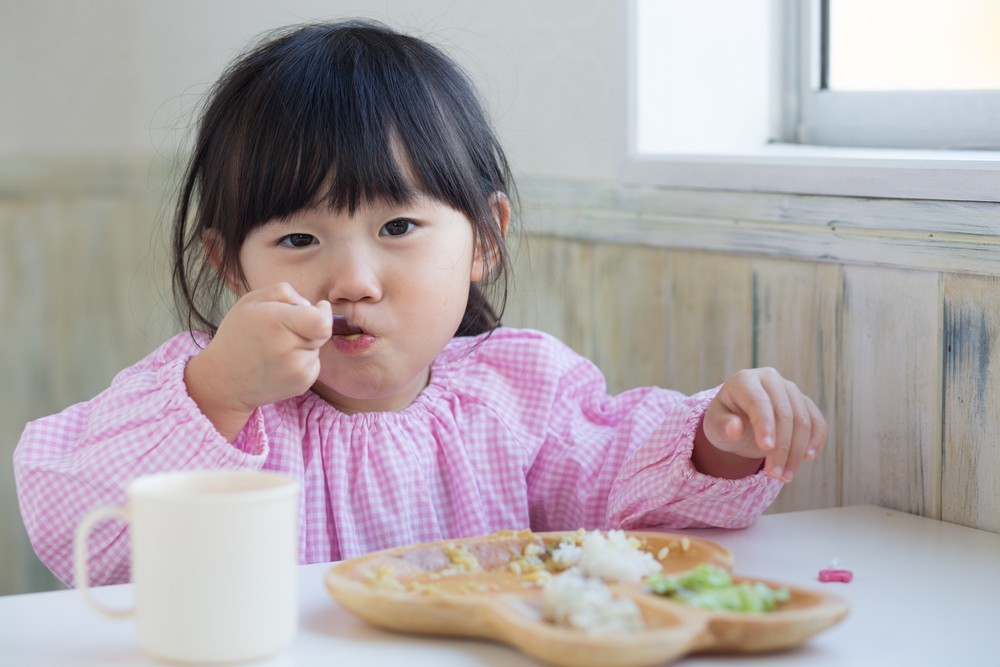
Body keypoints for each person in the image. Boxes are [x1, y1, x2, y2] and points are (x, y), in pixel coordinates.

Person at [14, 19, 827, 587]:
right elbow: (80, 537)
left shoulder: (520, 395)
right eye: (299, 241)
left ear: (483, 239)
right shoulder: (210, 395)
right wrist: (219, 394)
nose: (353, 280)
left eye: (398, 225)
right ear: (230, 264)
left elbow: (629, 487)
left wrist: (719, 441)